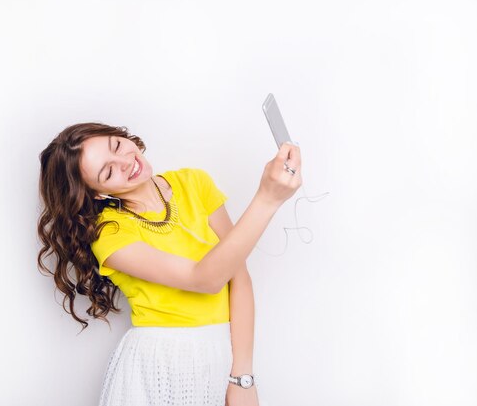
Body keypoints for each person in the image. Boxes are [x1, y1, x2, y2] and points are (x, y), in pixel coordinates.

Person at [37, 122, 302, 406]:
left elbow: (239, 276)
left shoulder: (193, 183)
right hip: (160, 365)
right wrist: (268, 199)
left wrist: (242, 378)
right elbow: (205, 279)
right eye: (109, 171)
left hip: (219, 356)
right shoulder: (109, 233)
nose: (126, 162)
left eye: (116, 146)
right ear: (98, 194)